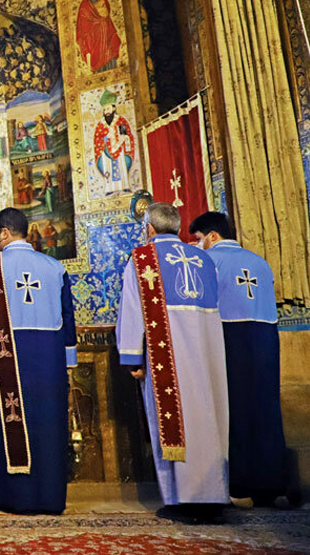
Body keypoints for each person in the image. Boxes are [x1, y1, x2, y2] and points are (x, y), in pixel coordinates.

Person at [116, 203, 229, 523]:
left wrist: (131, 357)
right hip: (207, 355)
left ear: (149, 228)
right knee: (209, 418)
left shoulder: (142, 260)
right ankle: (214, 495)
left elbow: (132, 310)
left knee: (173, 422)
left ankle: (183, 500)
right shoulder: (205, 258)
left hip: (168, 356)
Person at [0, 207, 77, 514]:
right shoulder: (55, 267)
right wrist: (69, 363)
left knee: (10, 420)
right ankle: (49, 498)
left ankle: (11, 497)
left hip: (8, 354)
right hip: (50, 357)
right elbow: (69, 318)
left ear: (4, 232)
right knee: (47, 424)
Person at [189, 211, 289, 506]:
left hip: (230, 337)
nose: (198, 245)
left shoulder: (210, 261)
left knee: (234, 411)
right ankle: (272, 486)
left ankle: (240, 486)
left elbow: (202, 305)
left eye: (198, 239)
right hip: (266, 337)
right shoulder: (260, 261)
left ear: (213, 236)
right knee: (267, 409)